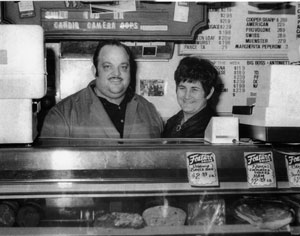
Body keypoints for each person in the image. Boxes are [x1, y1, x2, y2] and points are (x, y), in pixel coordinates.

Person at [40, 40, 163, 139]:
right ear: (95, 71)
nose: (117, 73)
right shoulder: (62, 115)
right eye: (107, 66)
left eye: (124, 67)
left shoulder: (149, 110)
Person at [162, 57, 218, 138]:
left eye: (194, 89)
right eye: (182, 88)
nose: (187, 96)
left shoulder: (214, 129)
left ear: (209, 93)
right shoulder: (171, 123)